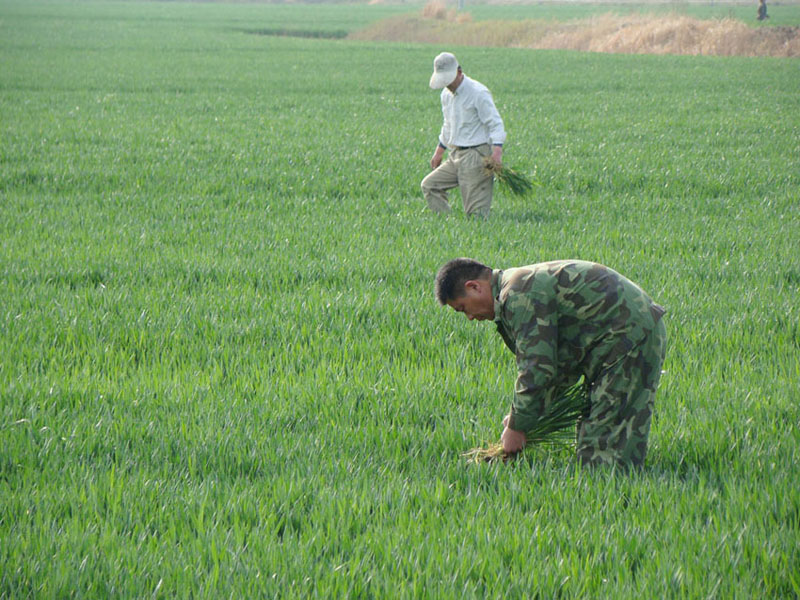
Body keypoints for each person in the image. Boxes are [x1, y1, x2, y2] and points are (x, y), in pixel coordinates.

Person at [434, 258, 667, 469]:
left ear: (474, 287)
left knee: (605, 452)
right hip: (620, 337)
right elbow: (556, 368)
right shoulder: (514, 290)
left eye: (463, 308)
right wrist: (520, 417)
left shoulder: (518, 294)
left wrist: (517, 427)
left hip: (629, 336)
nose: (470, 317)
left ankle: (620, 493)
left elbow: (537, 368)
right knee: (594, 434)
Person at [421, 52, 506, 219]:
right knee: (430, 186)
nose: (447, 85)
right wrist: (439, 151)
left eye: (448, 80)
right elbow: (448, 124)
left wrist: (497, 153)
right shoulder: (446, 94)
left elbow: (495, 124)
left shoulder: (478, 92)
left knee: (476, 215)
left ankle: (475, 231)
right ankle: (447, 225)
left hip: (476, 156)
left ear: (459, 72)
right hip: (455, 155)